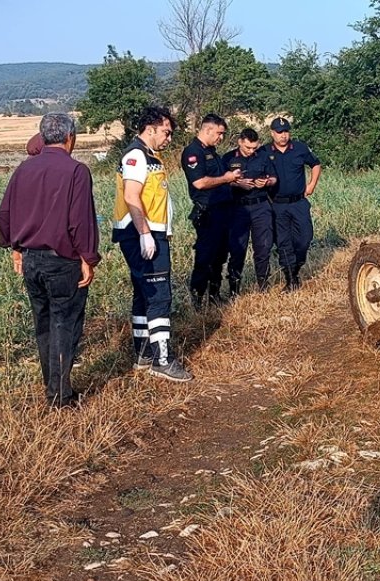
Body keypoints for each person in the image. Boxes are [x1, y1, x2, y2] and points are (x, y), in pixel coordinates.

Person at [0, 112, 99, 407]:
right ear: (71, 137)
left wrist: (14, 246)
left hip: (31, 261)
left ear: (43, 138)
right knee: (64, 325)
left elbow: (4, 215)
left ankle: (53, 388)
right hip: (63, 261)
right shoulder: (76, 171)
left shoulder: (23, 170)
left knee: (43, 324)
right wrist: (88, 257)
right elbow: (80, 221)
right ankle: (60, 396)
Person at [111, 106, 193, 382]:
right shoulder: (136, 155)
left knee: (143, 293)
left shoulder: (149, 155)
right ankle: (163, 359)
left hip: (148, 232)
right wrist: (145, 233)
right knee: (159, 295)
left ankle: (144, 354)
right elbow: (132, 196)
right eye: (166, 132)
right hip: (142, 235)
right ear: (151, 128)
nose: (169, 139)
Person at [181, 114, 242, 306]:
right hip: (208, 213)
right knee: (205, 256)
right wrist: (227, 178)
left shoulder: (212, 152)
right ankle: (198, 299)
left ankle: (214, 296)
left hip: (224, 211)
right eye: (219, 133)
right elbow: (200, 183)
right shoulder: (193, 153)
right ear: (207, 130)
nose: (221, 138)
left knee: (220, 256)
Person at [265, 117, 321, 291]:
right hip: (277, 205)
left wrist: (311, 184)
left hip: (299, 203)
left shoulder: (300, 148)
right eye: (279, 132)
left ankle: (296, 266)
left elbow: (316, 164)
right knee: (283, 242)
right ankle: (291, 280)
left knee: (305, 238)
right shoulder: (264, 151)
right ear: (272, 133)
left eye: (286, 131)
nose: (283, 135)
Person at [223, 128, 278, 293]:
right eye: (248, 147)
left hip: (261, 206)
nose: (251, 151)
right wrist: (237, 183)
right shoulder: (228, 158)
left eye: (254, 148)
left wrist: (266, 182)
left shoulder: (263, 157)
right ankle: (234, 289)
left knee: (263, 247)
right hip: (238, 208)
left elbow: (274, 178)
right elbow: (221, 182)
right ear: (240, 142)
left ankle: (263, 286)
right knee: (237, 249)